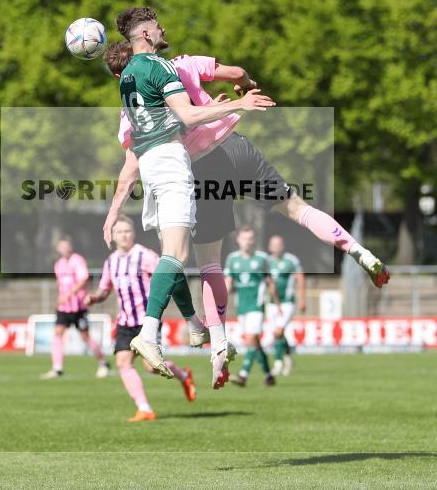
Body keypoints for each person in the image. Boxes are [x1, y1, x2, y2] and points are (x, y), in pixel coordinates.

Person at [102, 40, 390, 380]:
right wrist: (246, 86)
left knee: (208, 261)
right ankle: (360, 252)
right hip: (234, 148)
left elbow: (131, 164)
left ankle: (219, 348)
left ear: (121, 74)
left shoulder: (131, 107)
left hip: (199, 171)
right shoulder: (181, 63)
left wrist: (114, 209)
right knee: (297, 208)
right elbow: (236, 72)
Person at [112, 6, 274, 381]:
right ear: (147, 35)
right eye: (157, 25)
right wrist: (239, 104)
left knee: (175, 251)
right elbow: (186, 117)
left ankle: (196, 328)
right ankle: (150, 333)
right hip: (170, 161)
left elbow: (157, 122)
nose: (162, 28)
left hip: (151, 165)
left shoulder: (128, 76)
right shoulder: (161, 66)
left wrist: (210, 109)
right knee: (178, 253)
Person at [86, 215, 196, 421]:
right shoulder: (111, 262)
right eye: (119, 232)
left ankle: (183, 376)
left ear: (133, 233)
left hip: (147, 322)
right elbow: (104, 289)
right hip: (125, 322)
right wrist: (94, 298)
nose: (124, 235)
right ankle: (144, 408)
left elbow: (168, 275)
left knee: (151, 367)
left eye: (127, 231)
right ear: (113, 235)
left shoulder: (145, 256)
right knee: (122, 363)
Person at [40, 236, 109, 379]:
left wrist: (68, 295)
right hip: (64, 308)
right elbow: (61, 283)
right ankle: (57, 368)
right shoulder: (58, 264)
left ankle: (103, 362)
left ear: (71, 246)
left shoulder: (78, 260)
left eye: (67, 245)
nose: (65, 248)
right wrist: (61, 298)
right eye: (62, 246)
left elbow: (83, 279)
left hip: (78, 307)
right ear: (58, 248)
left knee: (85, 337)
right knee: (58, 333)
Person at [226, 227, 278, 387]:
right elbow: (228, 283)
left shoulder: (262, 259)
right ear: (238, 240)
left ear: (254, 240)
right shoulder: (232, 259)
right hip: (241, 306)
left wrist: (277, 304)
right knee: (254, 343)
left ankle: (243, 375)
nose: (247, 242)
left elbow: (270, 283)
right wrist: (221, 302)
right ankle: (269, 375)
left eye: (250, 238)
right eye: (244, 238)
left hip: (257, 305)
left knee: (250, 339)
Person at [266, 235, 305, 377]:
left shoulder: (291, 260)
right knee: (278, 334)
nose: (276, 247)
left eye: (279, 244)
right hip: (272, 303)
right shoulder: (267, 261)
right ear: (270, 247)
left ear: (283, 245)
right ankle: (288, 358)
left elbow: (300, 278)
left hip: (288, 302)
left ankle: (278, 363)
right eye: (274, 244)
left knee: (278, 331)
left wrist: (302, 298)